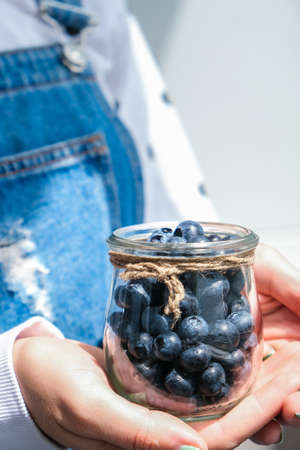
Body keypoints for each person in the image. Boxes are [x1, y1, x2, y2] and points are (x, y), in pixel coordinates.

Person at [1, 1, 300, 449]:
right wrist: (13, 390)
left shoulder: (89, 12)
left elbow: (167, 220)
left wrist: (221, 271)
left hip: (117, 370)